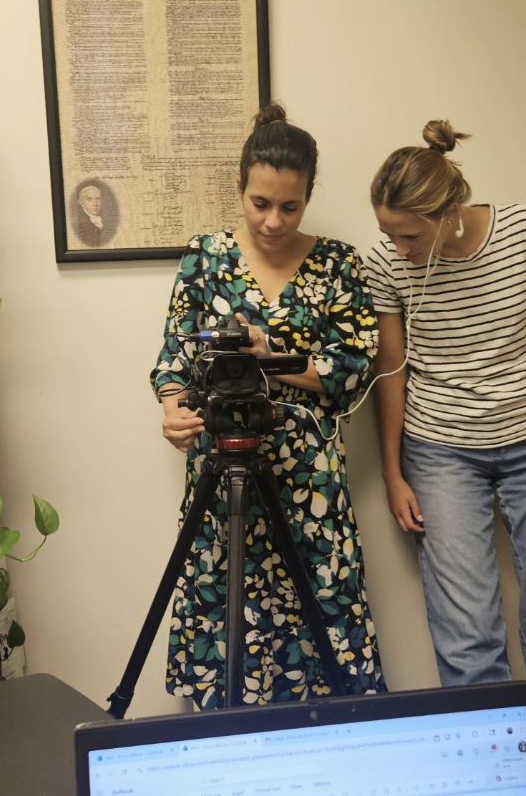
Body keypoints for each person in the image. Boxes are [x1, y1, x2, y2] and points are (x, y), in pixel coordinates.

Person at [363, 120, 526, 710]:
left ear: (449, 210)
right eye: (388, 234)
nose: (399, 249)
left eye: (410, 235)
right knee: (466, 628)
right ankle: (493, 750)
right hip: (440, 451)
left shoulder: (525, 229)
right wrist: (393, 473)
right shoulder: (385, 265)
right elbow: (391, 372)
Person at [150, 102, 386, 709]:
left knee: (321, 609)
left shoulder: (338, 263)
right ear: (240, 188)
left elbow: (356, 365)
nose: (274, 221)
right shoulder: (205, 257)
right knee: (225, 606)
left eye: (290, 206)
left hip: (309, 482)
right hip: (222, 470)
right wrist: (175, 411)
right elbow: (175, 359)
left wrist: (270, 355)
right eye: (260, 203)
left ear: (308, 197)